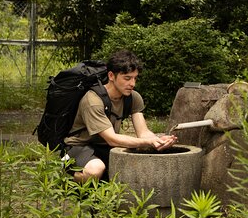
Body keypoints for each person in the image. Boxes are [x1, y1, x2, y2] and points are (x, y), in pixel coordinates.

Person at [63, 50, 177, 183]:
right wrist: (148, 142)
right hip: (79, 146)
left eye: (135, 78)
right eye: (127, 78)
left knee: (136, 164)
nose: (132, 84)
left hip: (106, 147)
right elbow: (112, 139)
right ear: (111, 76)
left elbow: (143, 132)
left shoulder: (133, 97)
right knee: (96, 169)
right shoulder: (93, 100)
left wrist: (158, 140)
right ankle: (67, 178)